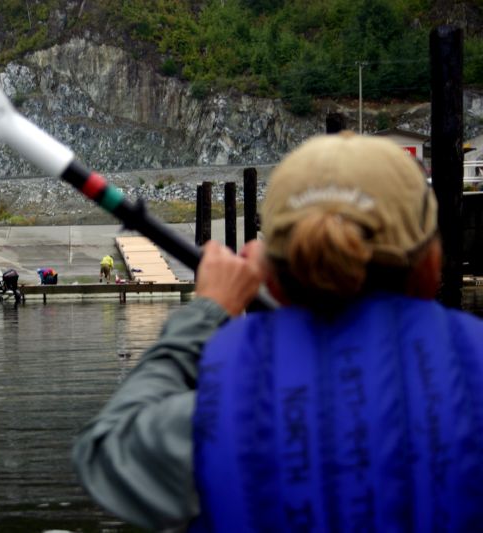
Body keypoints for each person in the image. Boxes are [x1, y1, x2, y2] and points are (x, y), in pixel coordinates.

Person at [73, 132, 483, 531]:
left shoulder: (224, 408)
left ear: (271, 274)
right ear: (431, 266)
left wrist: (207, 311)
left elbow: (108, 453)